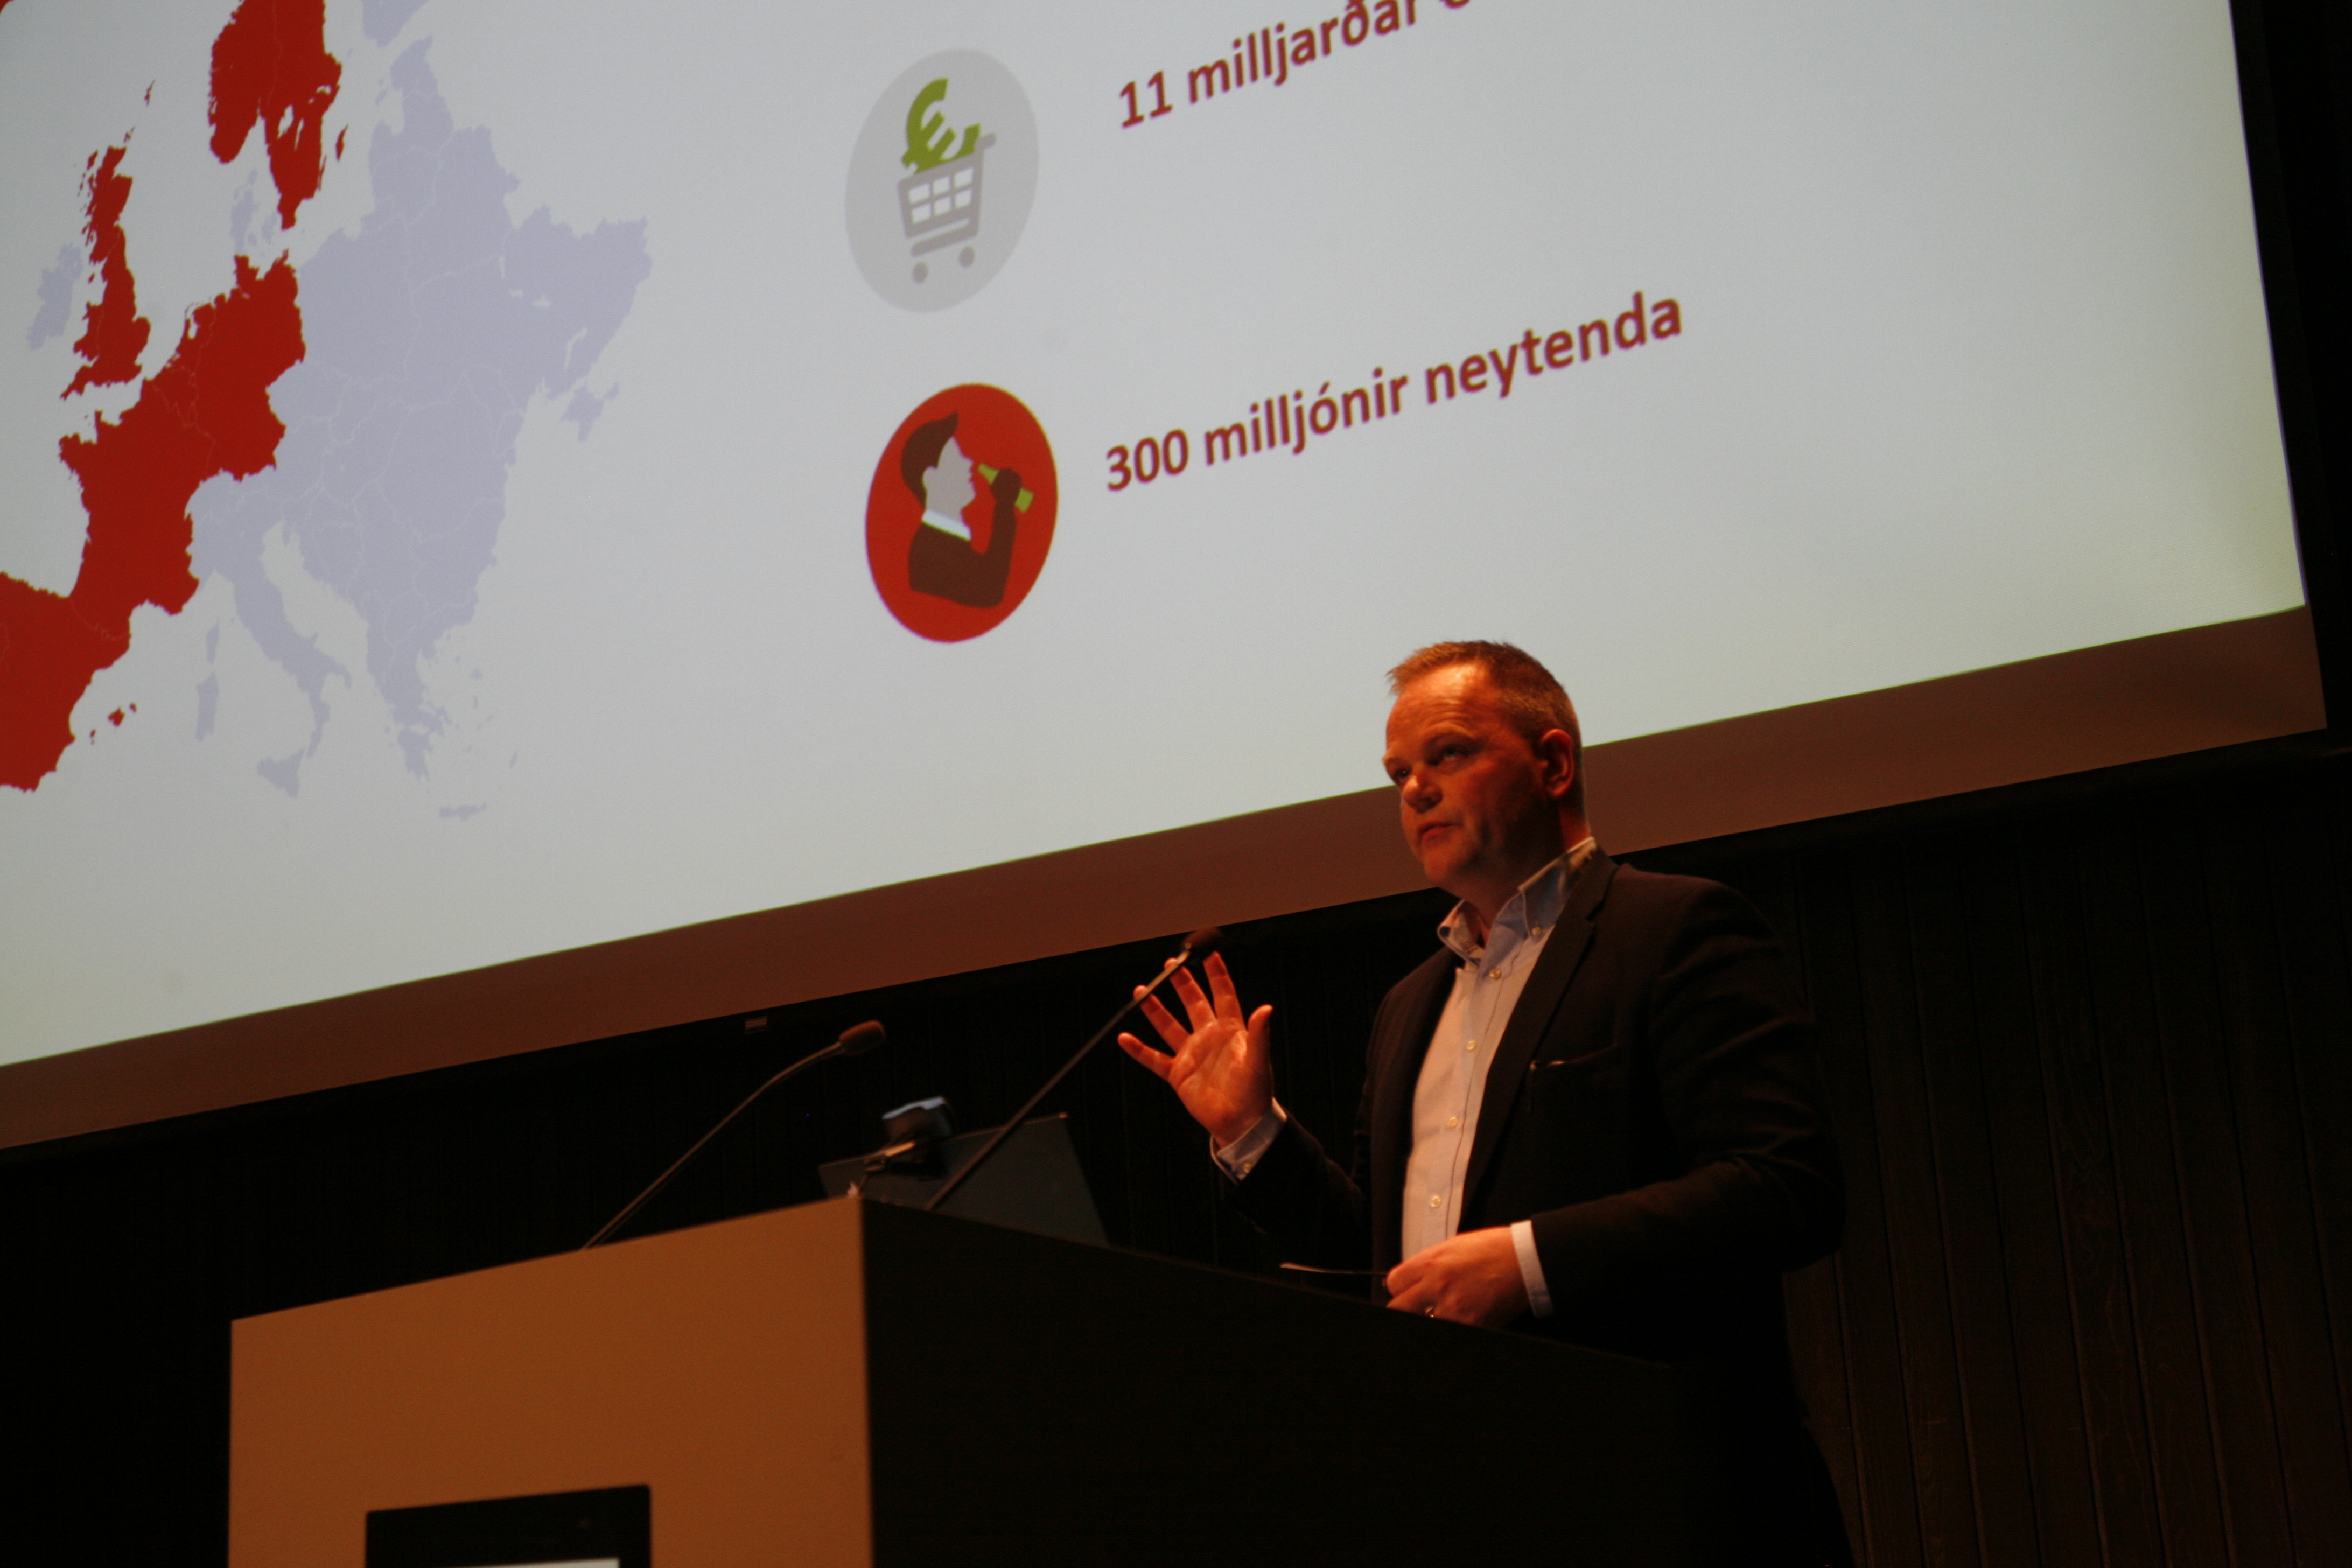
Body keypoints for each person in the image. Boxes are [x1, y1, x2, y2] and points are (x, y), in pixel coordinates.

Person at [1117, 641, 1850, 1563]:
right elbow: (1381, 1260)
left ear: (1553, 764)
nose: (1415, 790)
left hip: (1662, 1492)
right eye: (1398, 774)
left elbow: (1787, 1186)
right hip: (1466, 1493)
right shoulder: (1408, 1005)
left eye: (1448, 754)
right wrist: (1252, 1133)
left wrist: (1527, 1262)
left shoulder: (1672, 929)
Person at [900, 411, 1021, 607]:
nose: (969, 463)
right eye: (957, 458)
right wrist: (1005, 506)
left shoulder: (946, 542)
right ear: (931, 479)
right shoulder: (930, 552)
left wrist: (1005, 505)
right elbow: (989, 592)